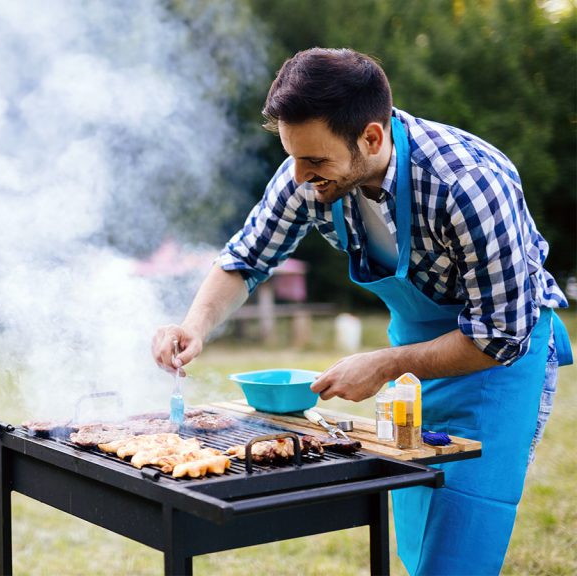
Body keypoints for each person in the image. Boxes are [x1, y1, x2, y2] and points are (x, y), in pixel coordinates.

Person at [151, 48, 571, 575]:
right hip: (413, 362)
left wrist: (385, 365)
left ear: (371, 138)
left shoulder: (467, 185)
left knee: (460, 548)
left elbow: (500, 335)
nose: (300, 177)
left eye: (316, 162)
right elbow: (246, 258)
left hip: (496, 366)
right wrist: (194, 327)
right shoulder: (306, 175)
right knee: (418, 535)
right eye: (294, 157)